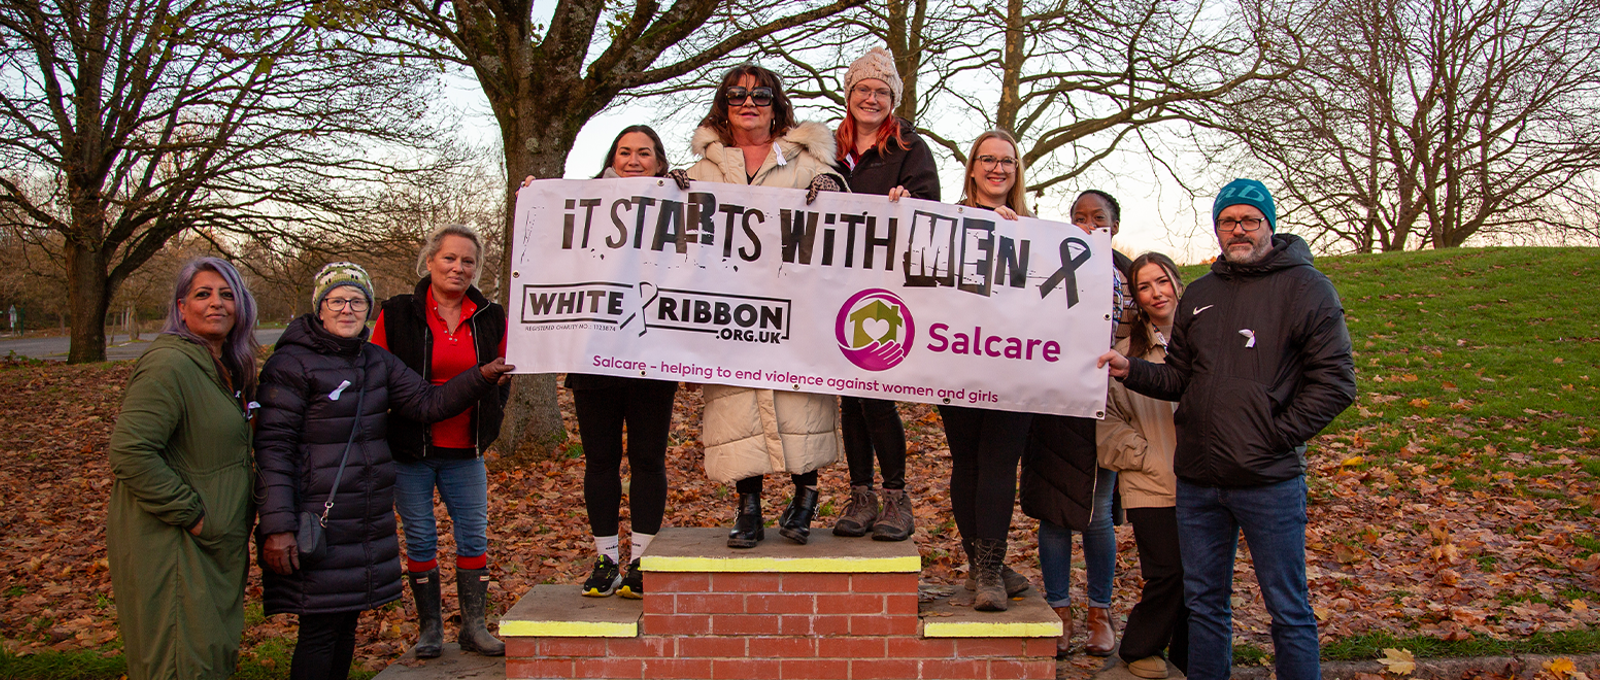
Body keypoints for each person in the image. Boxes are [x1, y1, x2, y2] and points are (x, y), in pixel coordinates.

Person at [1099, 179, 1357, 680]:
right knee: (1205, 606)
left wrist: (1274, 436)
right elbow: (1180, 377)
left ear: (1269, 225)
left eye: (1249, 220)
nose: (1237, 230)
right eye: (1227, 221)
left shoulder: (1308, 288)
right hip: (1198, 481)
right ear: (1217, 229)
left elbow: (1336, 384)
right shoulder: (1201, 294)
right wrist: (1131, 370)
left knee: (1289, 609)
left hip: (1269, 481)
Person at [255, 263, 512, 680]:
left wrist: (481, 377)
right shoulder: (290, 365)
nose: (347, 309)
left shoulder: (375, 360)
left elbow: (428, 402)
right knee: (319, 630)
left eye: (357, 302)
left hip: (361, 520)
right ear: (320, 307)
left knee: (344, 626)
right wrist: (278, 525)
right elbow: (272, 449)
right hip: (313, 518)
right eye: (337, 300)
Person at [684, 63, 845, 548]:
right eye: (737, 95)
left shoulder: (805, 163)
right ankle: (748, 507)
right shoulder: (703, 170)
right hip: (730, 312)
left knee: (801, 404)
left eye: (760, 95)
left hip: (795, 312)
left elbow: (845, 221)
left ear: (777, 105)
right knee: (738, 410)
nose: (748, 103)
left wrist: (834, 191)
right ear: (724, 105)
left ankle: (806, 496)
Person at [108, 258, 260, 680]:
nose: (217, 303)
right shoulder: (169, 365)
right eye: (203, 294)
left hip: (213, 547)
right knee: (179, 662)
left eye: (227, 294)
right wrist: (193, 516)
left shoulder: (222, 366)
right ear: (181, 307)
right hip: (173, 546)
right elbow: (130, 451)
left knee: (209, 656)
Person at [371, 225, 510, 657]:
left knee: (473, 537)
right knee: (421, 537)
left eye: (468, 261)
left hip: (466, 450)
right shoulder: (396, 314)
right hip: (411, 449)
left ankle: (473, 626)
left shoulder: (492, 316)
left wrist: (490, 423)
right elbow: (379, 375)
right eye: (449, 258)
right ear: (429, 260)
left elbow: (504, 374)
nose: (458, 267)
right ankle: (430, 630)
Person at [829, 47, 939, 542]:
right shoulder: (828, 149)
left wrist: (909, 203)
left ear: (892, 100)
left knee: (876, 394)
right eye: (863, 89)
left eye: (881, 92)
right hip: (833, 285)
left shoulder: (909, 148)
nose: (871, 98)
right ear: (849, 95)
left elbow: (932, 210)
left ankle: (896, 497)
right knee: (849, 400)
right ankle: (860, 494)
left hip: (884, 288)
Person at [568, 126, 681, 597]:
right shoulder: (581, 202)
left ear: (659, 161)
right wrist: (537, 197)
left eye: (645, 153)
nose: (634, 160)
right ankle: (606, 560)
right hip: (595, 353)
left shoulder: (681, 204)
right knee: (601, 461)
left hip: (652, 356)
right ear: (613, 158)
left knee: (648, 459)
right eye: (625, 152)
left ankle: (643, 561)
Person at [1020, 189, 1127, 655]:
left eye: (1098, 217)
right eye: (1079, 217)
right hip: (1049, 403)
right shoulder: (1046, 262)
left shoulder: (1125, 271)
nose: (1088, 225)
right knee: (1053, 513)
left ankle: (1100, 611)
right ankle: (1059, 610)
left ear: (1114, 225)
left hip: (1101, 406)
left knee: (1098, 514)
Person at [940, 130, 1037, 612]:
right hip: (957, 358)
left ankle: (992, 570)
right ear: (973, 167)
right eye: (988, 160)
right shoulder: (946, 220)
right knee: (968, 462)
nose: (998, 169)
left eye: (1007, 161)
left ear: (1016, 170)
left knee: (1000, 464)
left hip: (1013, 364)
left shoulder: (1034, 231)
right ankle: (982, 567)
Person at [1098, 252, 1190, 679]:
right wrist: (1143, 457)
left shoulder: (1206, 338)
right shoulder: (1126, 352)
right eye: (1145, 287)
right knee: (1167, 572)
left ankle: (1189, 659)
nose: (1157, 293)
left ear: (1177, 282)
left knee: (1203, 579)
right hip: (1153, 478)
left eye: (1163, 282)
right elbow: (1106, 422)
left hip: (1208, 475)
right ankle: (1139, 647)